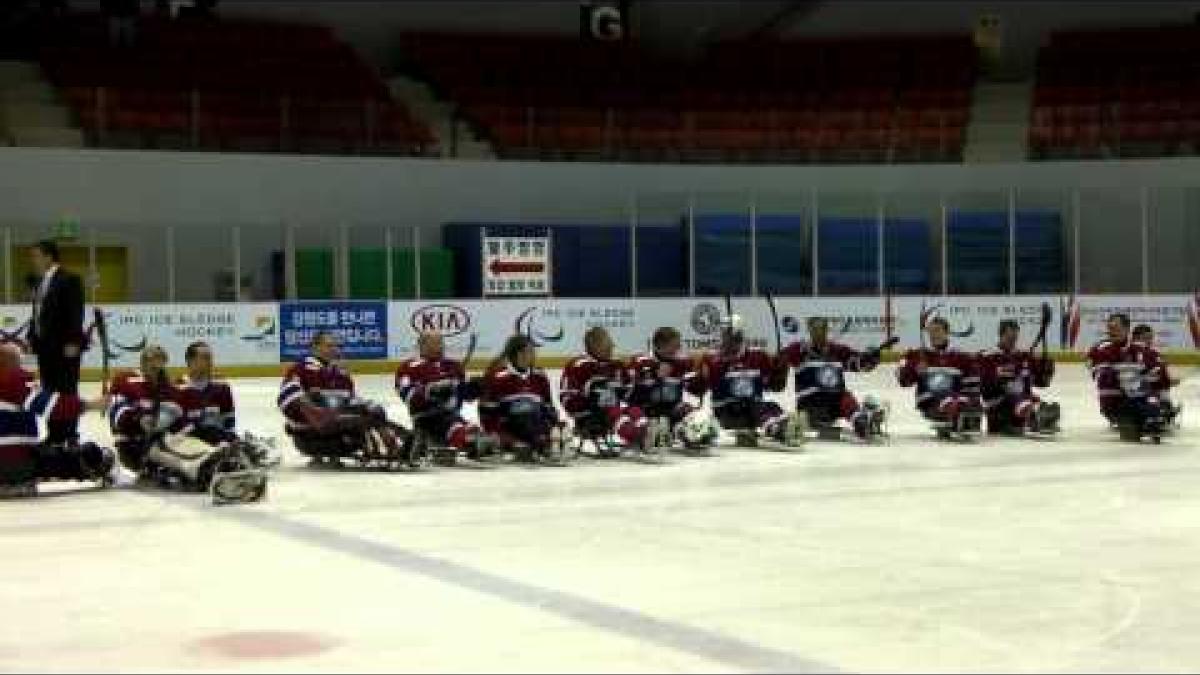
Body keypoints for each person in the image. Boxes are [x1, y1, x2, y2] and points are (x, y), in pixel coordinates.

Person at [278, 331, 416, 468]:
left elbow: (350, 401)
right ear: (315, 347)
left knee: (374, 415)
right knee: (365, 420)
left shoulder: (340, 374)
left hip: (336, 430)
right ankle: (385, 450)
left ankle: (399, 445)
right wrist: (312, 414)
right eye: (329, 346)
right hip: (311, 435)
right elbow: (286, 398)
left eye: (337, 346)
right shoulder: (301, 369)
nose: (334, 350)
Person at [0, 344, 120, 497]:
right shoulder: (12, 378)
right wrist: (90, 405)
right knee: (86, 454)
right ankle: (97, 465)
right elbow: (51, 406)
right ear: (9, 362)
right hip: (13, 461)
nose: (22, 366)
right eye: (19, 361)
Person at [698, 314, 801, 446]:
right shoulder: (712, 359)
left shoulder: (758, 356)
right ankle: (777, 429)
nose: (723, 338)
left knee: (772, 406)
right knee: (756, 407)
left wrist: (781, 370)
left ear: (738, 335)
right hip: (728, 412)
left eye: (726, 333)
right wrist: (707, 372)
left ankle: (783, 426)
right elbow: (702, 387)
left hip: (755, 408)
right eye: (722, 333)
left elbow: (775, 387)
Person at [779, 317, 886, 440]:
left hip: (837, 400)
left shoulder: (837, 350)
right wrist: (782, 358)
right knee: (812, 421)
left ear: (826, 330)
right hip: (811, 403)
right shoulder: (798, 349)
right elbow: (782, 359)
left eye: (822, 329)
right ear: (810, 331)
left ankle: (861, 421)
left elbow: (857, 363)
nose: (819, 333)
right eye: (815, 330)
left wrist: (870, 359)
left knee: (846, 398)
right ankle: (858, 420)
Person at [395, 331, 495, 463]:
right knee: (461, 432)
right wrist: (431, 391)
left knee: (474, 431)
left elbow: (464, 395)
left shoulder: (453, 366)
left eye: (440, 342)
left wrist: (474, 388)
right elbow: (407, 395)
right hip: (427, 417)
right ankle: (429, 440)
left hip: (452, 416)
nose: (440, 346)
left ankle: (461, 442)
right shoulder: (408, 367)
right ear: (421, 346)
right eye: (434, 343)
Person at [560, 326, 656, 456]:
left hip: (614, 407)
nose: (612, 345)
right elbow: (567, 397)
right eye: (607, 342)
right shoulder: (579, 366)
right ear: (594, 345)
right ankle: (636, 436)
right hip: (589, 412)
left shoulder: (617, 365)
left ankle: (646, 432)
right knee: (615, 411)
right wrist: (585, 404)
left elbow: (629, 391)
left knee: (633, 409)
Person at [28, 240, 85, 444]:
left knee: (66, 390)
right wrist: (32, 336)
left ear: (49, 257)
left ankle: (69, 435)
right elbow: (37, 314)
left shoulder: (69, 279)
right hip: (46, 348)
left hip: (65, 347)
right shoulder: (40, 281)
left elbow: (75, 313)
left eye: (35, 256)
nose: (32, 261)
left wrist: (73, 341)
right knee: (50, 391)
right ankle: (54, 434)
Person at [1087, 313, 1174, 440]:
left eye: (1116, 328)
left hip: (1139, 397)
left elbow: (1159, 371)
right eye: (1110, 328)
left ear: (1127, 329)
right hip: (1114, 401)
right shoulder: (1099, 349)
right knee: (1137, 400)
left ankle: (1156, 412)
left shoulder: (1141, 349)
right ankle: (1148, 416)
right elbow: (1099, 374)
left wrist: (1157, 380)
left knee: (1149, 395)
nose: (1111, 332)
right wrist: (1126, 375)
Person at [626, 326, 714, 449]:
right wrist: (655, 376)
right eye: (675, 345)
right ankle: (644, 435)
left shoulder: (681, 363)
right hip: (645, 409)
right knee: (648, 425)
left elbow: (694, 389)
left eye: (679, 345)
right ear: (660, 345)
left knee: (696, 416)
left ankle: (689, 434)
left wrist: (702, 379)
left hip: (671, 408)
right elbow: (629, 392)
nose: (678, 349)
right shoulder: (641, 362)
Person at [896, 317, 983, 438]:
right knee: (951, 403)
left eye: (937, 330)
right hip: (929, 401)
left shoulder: (962, 357)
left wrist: (973, 402)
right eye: (930, 332)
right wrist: (915, 371)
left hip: (956, 398)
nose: (933, 335)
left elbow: (973, 385)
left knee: (966, 404)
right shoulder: (918, 355)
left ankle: (958, 408)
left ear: (947, 333)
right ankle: (951, 407)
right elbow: (903, 381)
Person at [480, 334, 562, 461]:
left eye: (533, 352)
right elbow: (488, 414)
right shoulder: (498, 378)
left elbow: (548, 406)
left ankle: (543, 442)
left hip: (536, 424)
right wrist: (502, 437)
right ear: (517, 354)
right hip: (512, 427)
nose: (533, 355)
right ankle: (539, 443)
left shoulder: (540, 376)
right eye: (529, 352)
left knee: (556, 427)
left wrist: (555, 425)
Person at [978, 320, 1059, 435]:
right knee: (1018, 399)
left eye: (1015, 338)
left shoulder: (1023, 356)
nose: (1013, 341)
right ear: (1001, 335)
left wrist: (1045, 372)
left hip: (1022, 400)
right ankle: (1033, 416)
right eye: (1009, 338)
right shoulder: (987, 356)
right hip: (998, 403)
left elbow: (1040, 383)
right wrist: (1004, 376)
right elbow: (985, 387)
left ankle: (1038, 416)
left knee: (1041, 403)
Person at [1131, 323, 1182, 428]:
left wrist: (1168, 380)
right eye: (1146, 338)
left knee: (1160, 393)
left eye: (1151, 338)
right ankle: (1163, 410)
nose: (1150, 341)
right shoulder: (1133, 351)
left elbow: (1162, 372)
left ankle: (1164, 408)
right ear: (1135, 338)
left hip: (1148, 389)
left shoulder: (1153, 353)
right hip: (1140, 390)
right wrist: (1168, 381)